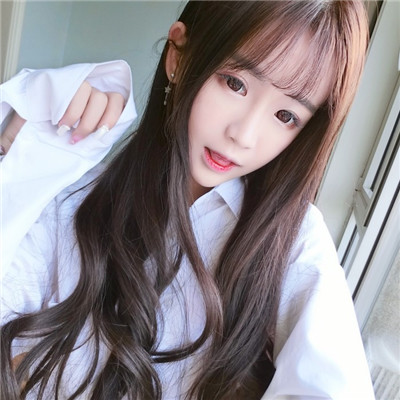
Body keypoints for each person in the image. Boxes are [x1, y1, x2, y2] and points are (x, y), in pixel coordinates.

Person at [0, 1, 375, 399]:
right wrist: (30, 148)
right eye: (235, 83)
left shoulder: (294, 241)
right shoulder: (80, 198)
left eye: (286, 116)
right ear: (178, 55)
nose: (244, 135)